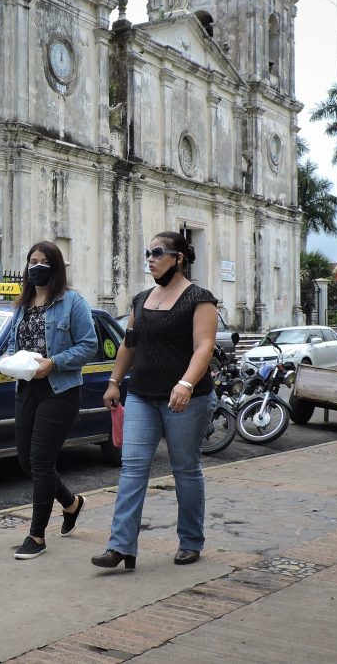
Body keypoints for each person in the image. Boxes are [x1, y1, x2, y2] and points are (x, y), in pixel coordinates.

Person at [92, 231, 217, 570]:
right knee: (132, 468)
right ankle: (121, 547)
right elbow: (129, 345)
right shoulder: (141, 299)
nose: (151, 258)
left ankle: (190, 541)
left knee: (185, 469)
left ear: (178, 258)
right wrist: (114, 382)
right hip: (142, 396)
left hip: (185, 398)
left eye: (158, 252)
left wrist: (186, 383)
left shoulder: (199, 298)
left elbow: (204, 347)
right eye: (148, 252)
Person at [5, 240, 98, 560]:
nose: (36, 266)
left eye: (43, 261)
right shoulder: (22, 304)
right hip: (26, 388)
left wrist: (54, 362)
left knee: (42, 463)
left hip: (60, 391)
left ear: (55, 267)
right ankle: (72, 504)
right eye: (32, 260)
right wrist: (10, 363)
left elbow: (89, 345)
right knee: (26, 462)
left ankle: (36, 536)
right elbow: (10, 345)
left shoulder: (72, 302)